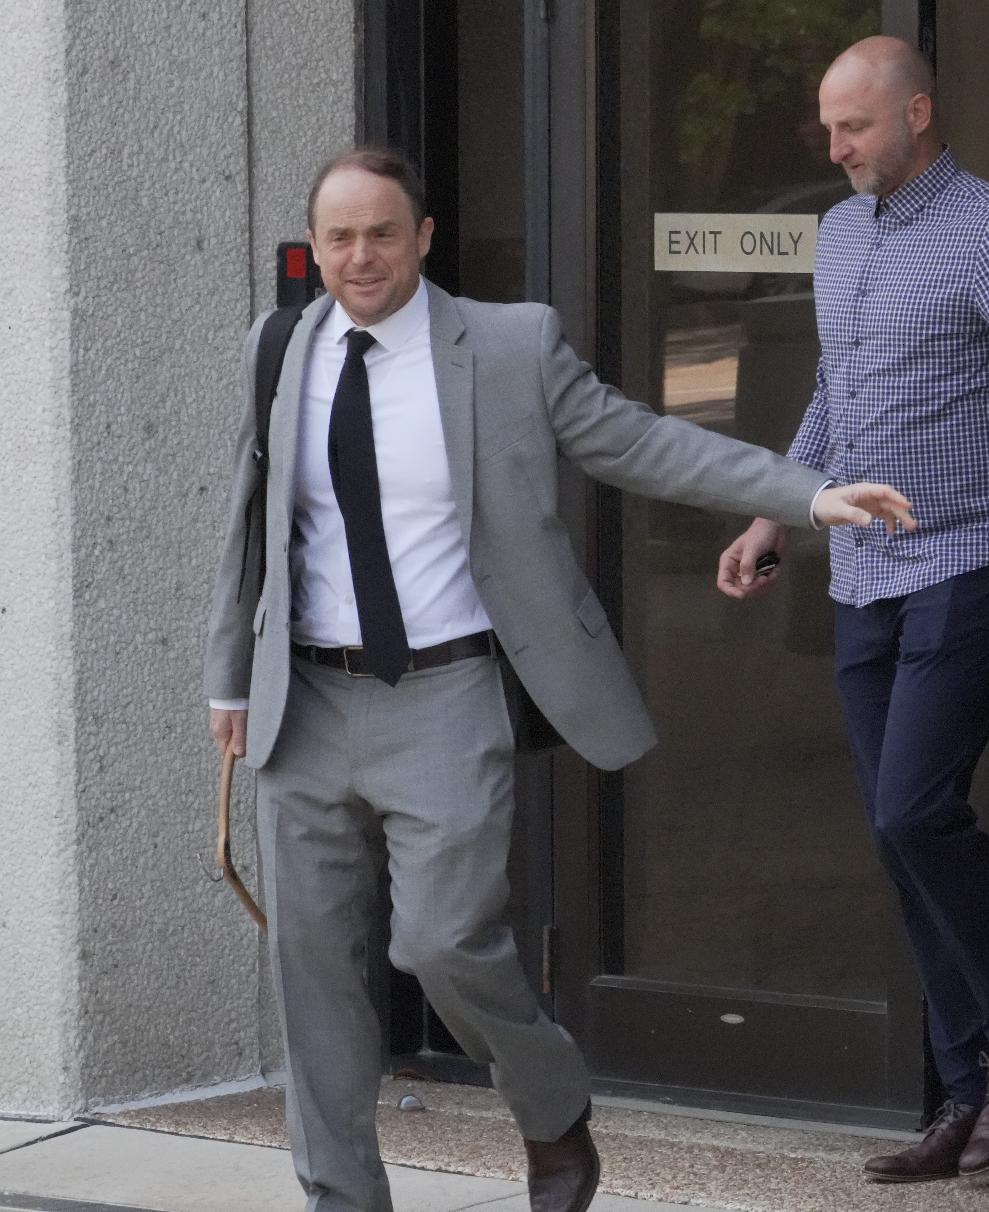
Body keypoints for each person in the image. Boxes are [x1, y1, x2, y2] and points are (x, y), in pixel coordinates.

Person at [201, 147, 914, 1212]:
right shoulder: (278, 347)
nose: (361, 257)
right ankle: (340, 1198)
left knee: (441, 941)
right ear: (318, 244)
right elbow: (252, 524)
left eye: (383, 233)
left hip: (443, 696)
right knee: (312, 974)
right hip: (303, 702)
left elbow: (643, 445)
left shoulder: (507, 345)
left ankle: (547, 1099)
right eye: (340, 237)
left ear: (424, 237)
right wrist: (229, 679)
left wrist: (806, 497)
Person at [716, 36, 989, 1184]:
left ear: (917, 113)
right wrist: (774, 513)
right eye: (827, 126)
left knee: (916, 810)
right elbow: (835, 390)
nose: (834, 147)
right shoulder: (838, 233)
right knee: (894, 832)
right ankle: (969, 1088)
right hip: (862, 567)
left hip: (973, 555)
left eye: (853, 126)